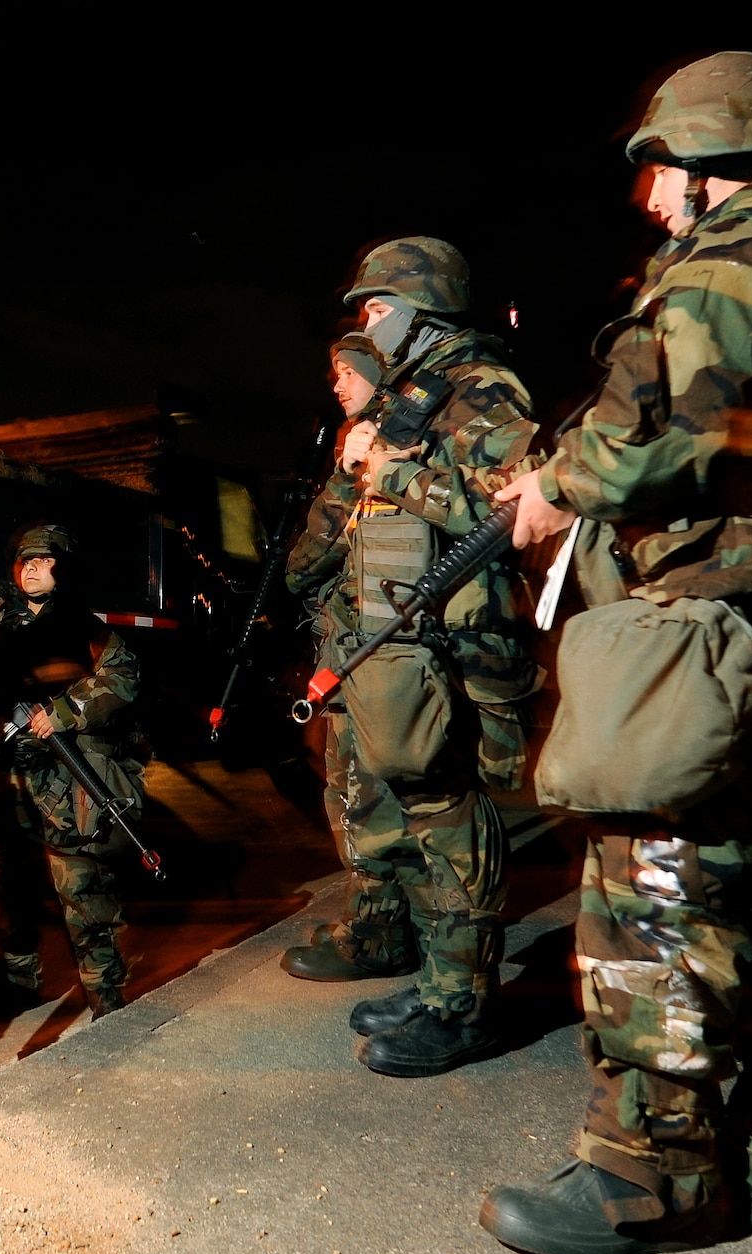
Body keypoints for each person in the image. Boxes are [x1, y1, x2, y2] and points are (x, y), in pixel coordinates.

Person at [479, 52, 752, 1254]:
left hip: (710, 638)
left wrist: (552, 488)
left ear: (713, 161)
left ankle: (645, 1175)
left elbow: (668, 431)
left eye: (659, 172)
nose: (650, 198)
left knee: (655, 899)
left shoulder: (732, 257)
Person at [301, 237, 544, 1077]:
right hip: (419, 641)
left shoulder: (480, 388)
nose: (367, 324)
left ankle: (466, 1006)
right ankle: (445, 982)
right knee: (422, 810)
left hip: (465, 643)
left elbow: (513, 513)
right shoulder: (425, 392)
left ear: (419, 306)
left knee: (451, 813)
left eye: (376, 307)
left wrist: (388, 473)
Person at [0, 524, 146, 1021]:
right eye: (25, 561)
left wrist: (65, 710)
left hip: (65, 778)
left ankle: (105, 993)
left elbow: (123, 681)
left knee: (82, 888)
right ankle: (19, 982)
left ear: (66, 568)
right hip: (8, 777)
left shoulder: (86, 629)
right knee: (6, 882)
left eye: (44, 560)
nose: (31, 568)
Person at [278, 335, 422, 984]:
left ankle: (379, 937)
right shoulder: (351, 450)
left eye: (346, 373)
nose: (337, 385)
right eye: (333, 373)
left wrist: (363, 469)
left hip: (382, 662)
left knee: (370, 804)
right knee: (348, 797)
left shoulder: (405, 446)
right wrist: (343, 473)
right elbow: (304, 568)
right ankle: (378, 922)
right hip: (347, 661)